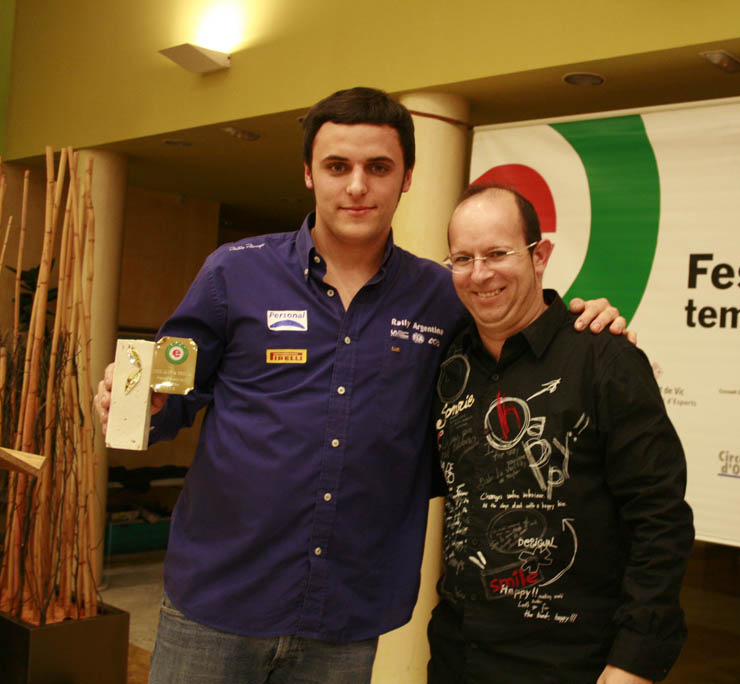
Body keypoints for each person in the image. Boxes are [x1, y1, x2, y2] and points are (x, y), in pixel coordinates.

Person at [93, 87, 628, 684]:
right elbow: (168, 398)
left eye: (378, 167)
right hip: (217, 600)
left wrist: (588, 329)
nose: (356, 186)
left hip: (346, 612)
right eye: (336, 166)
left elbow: (522, 354)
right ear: (308, 173)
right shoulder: (234, 272)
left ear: (406, 178)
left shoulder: (441, 297)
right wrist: (137, 404)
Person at [427, 185, 693, 684]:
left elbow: (660, 518)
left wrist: (634, 660)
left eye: (497, 253)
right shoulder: (447, 365)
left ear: (540, 255)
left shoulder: (604, 358)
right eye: (463, 258)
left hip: (572, 664)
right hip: (458, 659)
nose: (480, 273)